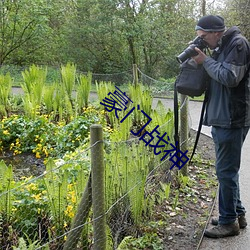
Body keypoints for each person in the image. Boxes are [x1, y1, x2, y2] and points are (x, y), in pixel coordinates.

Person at [192, 15, 250, 238]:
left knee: (225, 171)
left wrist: (205, 61)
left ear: (216, 32)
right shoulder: (221, 46)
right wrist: (202, 60)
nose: (203, 41)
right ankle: (237, 214)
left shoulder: (238, 44)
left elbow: (229, 77)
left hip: (232, 118)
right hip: (222, 117)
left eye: (204, 37)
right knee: (227, 171)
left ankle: (228, 223)